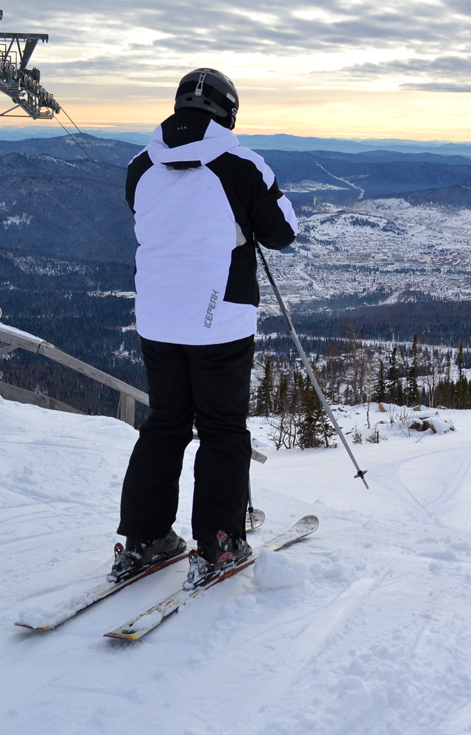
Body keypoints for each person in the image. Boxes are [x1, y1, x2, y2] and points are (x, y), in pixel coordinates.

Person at [109, 68, 298, 587]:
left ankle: (143, 538)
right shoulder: (241, 164)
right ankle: (219, 542)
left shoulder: (140, 164)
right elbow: (283, 232)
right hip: (221, 319)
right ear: (228, 112)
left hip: (156, 318)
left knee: (166, 423)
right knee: (221, 428)